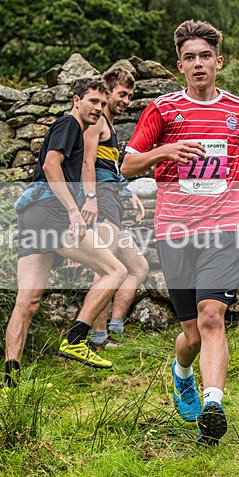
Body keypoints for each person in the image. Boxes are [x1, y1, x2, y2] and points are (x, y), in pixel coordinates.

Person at [120, 19, 239, 445]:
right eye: (189, 58)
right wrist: (165, 151)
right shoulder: (164, 110)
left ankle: (213, 405)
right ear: (180, 66)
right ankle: (183, 372)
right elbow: (128, 165)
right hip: (174, 229)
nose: (198, 64)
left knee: (212, 316)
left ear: (219, 61)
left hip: (225, 225)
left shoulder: (238, 109)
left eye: (205, 56)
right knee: (191, 334)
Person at [5, 78, 128, 386]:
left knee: (28, 301)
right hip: (52, 214)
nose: (98, 108)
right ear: (76, 100)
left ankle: (10, 379)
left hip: (31, 216)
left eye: (102, 104)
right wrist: (74, 211)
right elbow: (50, 165)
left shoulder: (74, 127)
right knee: (115, 270)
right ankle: (76, 339)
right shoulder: (69, 124)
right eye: (93, 102)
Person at [71, 68, 149, 354]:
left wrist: (127, 192)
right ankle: (97, 335)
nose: (126, 100)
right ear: (108, 92)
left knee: (138, 267)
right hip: (101, 199)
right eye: (121, 94)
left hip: (112, 197)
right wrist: (89, 200)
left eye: (130, 95)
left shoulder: (110, 126)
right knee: (106, 268)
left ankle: (115, 327)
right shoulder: (98, 122)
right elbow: (87, 162)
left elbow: (109, 167)